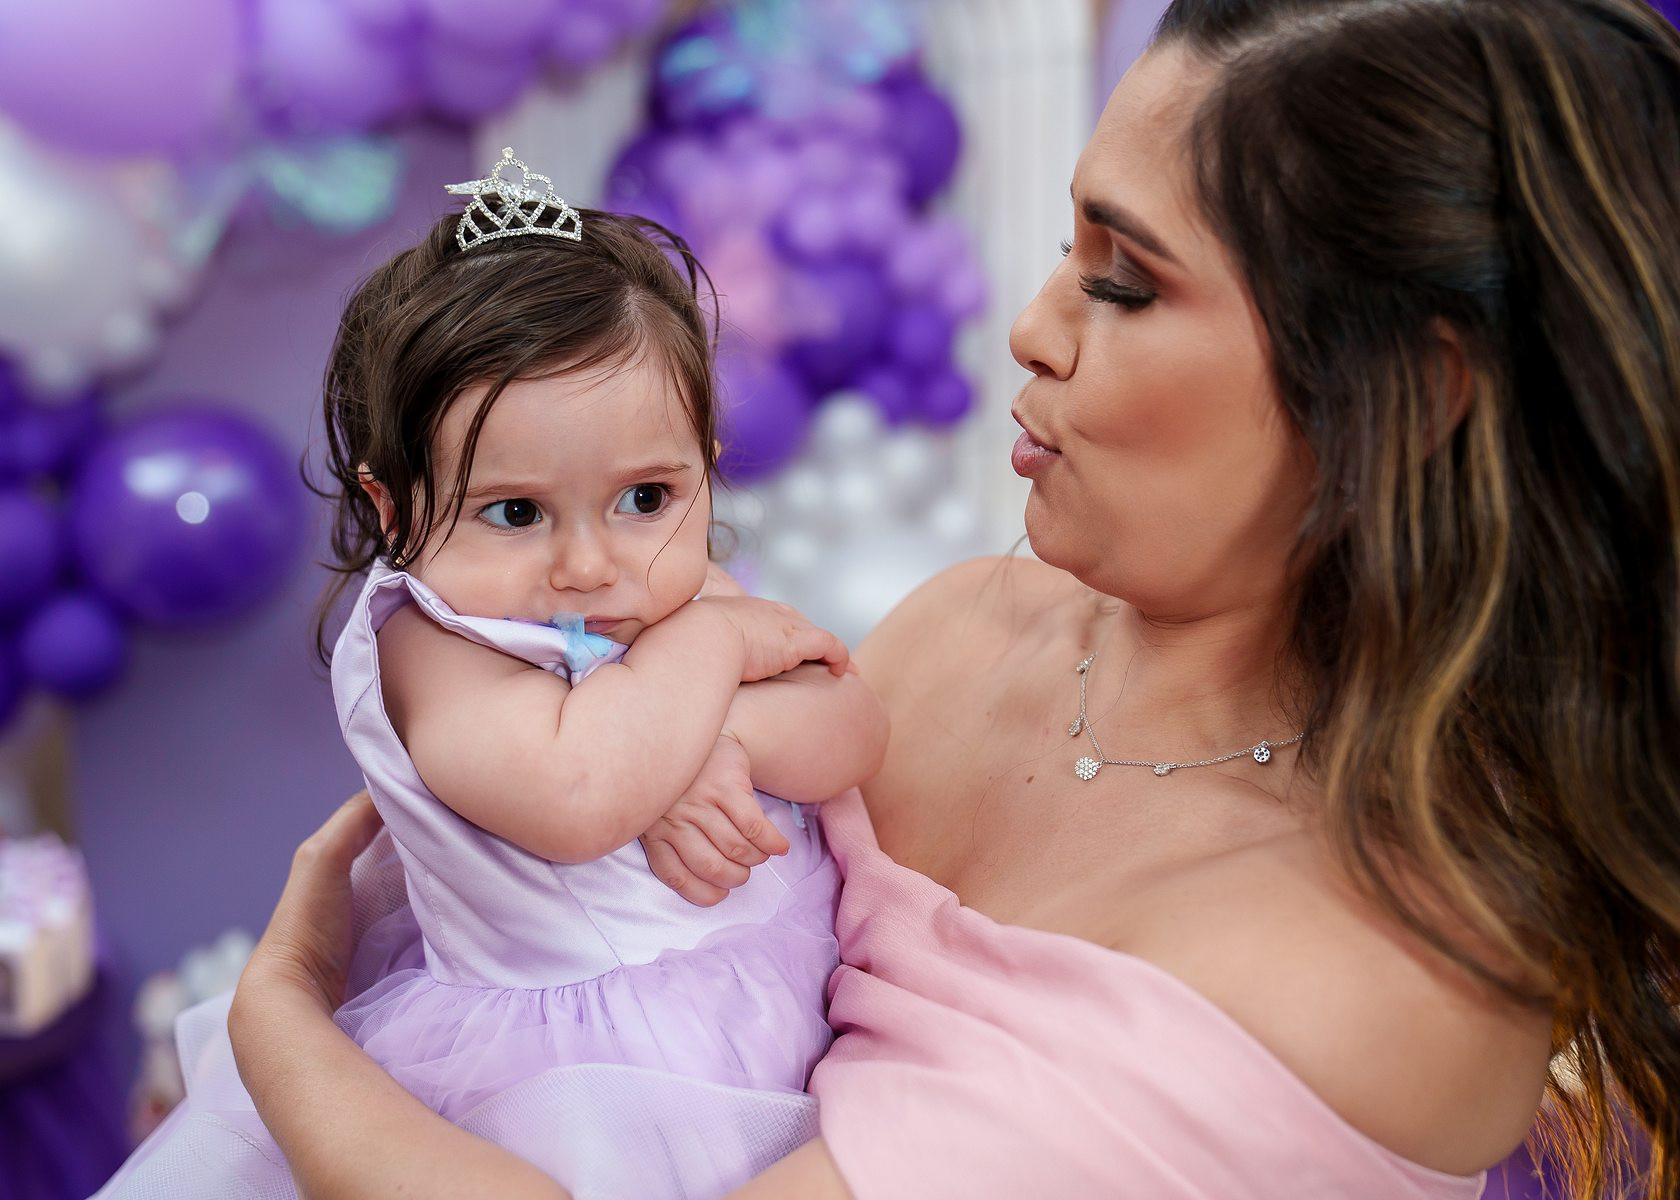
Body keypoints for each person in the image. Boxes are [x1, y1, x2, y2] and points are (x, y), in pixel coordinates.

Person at [175, 0, 1680, 1196]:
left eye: (1127, 282)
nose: (1032, 326)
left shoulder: (1360, 977)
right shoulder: (977, 625)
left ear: (1411, 391)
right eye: (1068, 247)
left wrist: (280, 1030)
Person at [93, 149, 889, 1199]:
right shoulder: (432, 646)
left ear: (704, 464)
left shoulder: (683, 591)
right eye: (515, 512)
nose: (590, 564)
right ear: (393, 511)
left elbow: (851, 729)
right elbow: (578, 793)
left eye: (646, 497)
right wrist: (708, 661)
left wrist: (718, 739)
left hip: (777, 991)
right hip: (581, 1076)